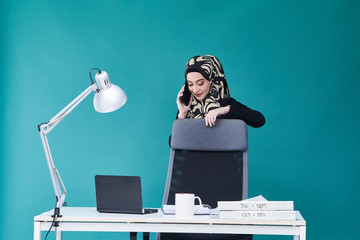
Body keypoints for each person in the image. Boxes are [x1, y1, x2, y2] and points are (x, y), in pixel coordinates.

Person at [176, 55, 265, 128]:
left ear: (212, 81)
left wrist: (225, 109)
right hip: (192, 150)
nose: (195, 90)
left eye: (200, 83)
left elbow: (259, 120)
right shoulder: (188, 105)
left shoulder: (225, 103)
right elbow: (174, 143)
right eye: (190, 84)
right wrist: (182, 114)